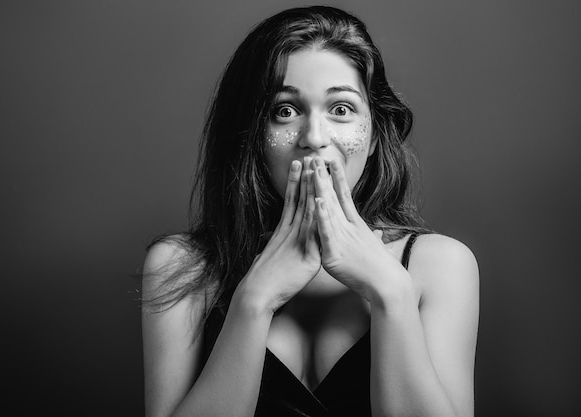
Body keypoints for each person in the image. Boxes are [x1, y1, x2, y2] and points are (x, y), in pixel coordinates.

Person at [141, 6, 479, 417]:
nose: (314, 138)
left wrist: (392, 295)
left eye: (341, 109)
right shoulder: (182, 269)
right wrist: (254, 300)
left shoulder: (440, 265)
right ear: (251, 136)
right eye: (285, 111)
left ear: (374, 135)